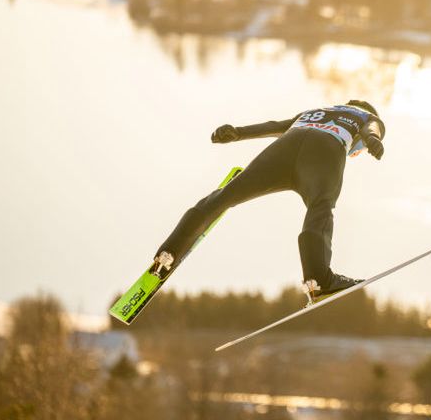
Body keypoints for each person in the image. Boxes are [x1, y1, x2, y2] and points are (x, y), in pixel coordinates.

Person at [152, 100, 386, 303]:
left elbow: (274, 126)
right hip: (324, 150)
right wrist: (373, 139)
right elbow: (371, 129)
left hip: (283, 149)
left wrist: (237, 132)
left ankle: (169, 253)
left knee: (226, 196)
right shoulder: (367, 116)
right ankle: (318, 280)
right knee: (320, 207)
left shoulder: (317, 111)